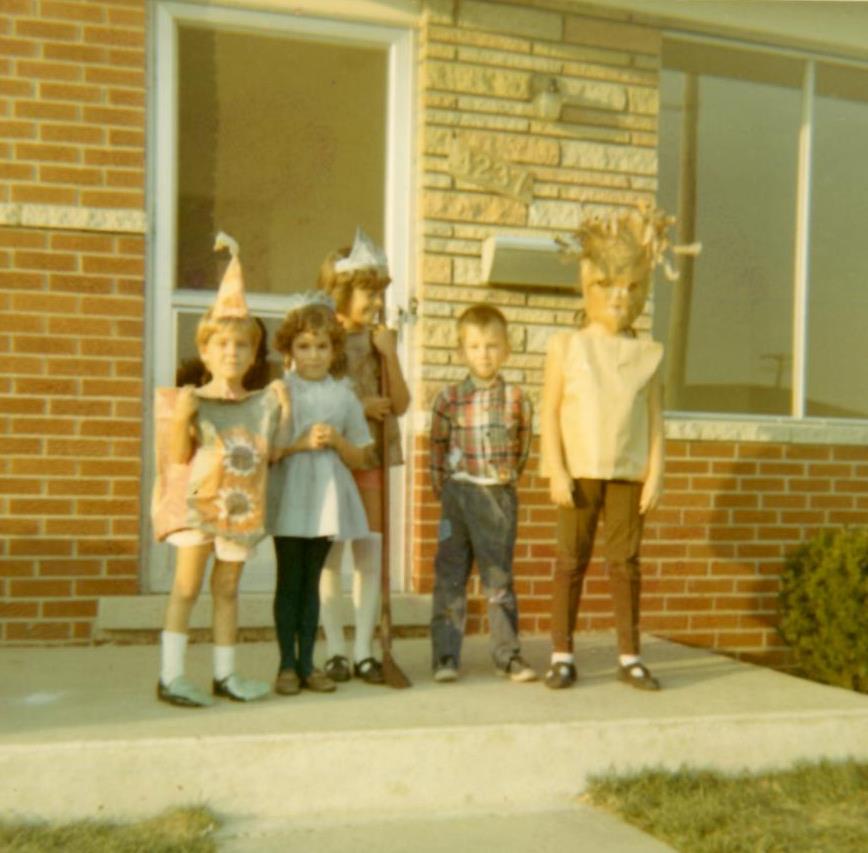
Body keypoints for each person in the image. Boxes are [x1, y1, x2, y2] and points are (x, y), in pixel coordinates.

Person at [541, 205, 688, 691]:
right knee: (570, 560)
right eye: (610, 287)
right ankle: (562, 653)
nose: (620, 298)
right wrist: (556, 471)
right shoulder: (567, 346)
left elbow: (654, 418)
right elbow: (550, 411)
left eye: (631, 288)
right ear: (591, 289)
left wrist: (657, 472)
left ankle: (629, 655)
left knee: (625, 563)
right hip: (580, 470)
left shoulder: (647, 354)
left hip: (628, 471)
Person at [152, 233, 289, 708]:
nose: (232, 353)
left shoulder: (259, 406)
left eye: (241, 346)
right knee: (187, 585)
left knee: (227, 587)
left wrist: (284, 409)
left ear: (253, 356)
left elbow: (272, 454)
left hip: (237, 507)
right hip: (197, 504)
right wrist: (185, 417)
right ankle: (170, 675)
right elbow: (175, 457)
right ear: (206, 351)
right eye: (223, 344)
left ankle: (225, 674)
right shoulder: (192, 398)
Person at [315, 228, 410, 686]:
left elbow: (403, 403)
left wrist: (390, 356)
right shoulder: (324, 340)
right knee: (331, 553)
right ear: (344, 291)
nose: (375, 300)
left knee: (369, 549)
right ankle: (334, 647)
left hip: (371, 457)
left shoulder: (380, 340)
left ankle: (364, 650)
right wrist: (360, 406)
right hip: (334, 459)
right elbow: (317, 395)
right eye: (367, 292)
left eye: (378, 292)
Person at [268, 295, 373, 696]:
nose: (313, 356)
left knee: (311, 582)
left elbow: (363, 453)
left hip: (326, 494)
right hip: (292, 489)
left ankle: (309, 662)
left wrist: (338, 441)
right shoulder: (281, 390)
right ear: (289, 350)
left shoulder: (343, 395)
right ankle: (286, 664)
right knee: (288, 580)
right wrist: (299, 444)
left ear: (335, 350)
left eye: (322, 347)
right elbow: (266, 450)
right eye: (303, 347)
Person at [428, 304, 537, 683]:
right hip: (458, 494)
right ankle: (445, 656)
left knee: (499, 579)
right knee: (450, 577)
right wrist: (443, 487)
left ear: (506, 349)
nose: (484, 354)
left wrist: (507, 477)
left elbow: (522, 445)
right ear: (462, 351)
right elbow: (437, 447)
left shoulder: (517, 399)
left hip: (497, 497)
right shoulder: (448, 399)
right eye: (474, 346)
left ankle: (508, 655)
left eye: (492, 346)